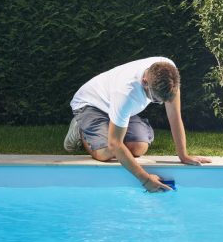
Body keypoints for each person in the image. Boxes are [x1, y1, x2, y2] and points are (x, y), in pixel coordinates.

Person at [64, 57, 211, 192]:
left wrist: (183, 155)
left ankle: (111, 125)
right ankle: (80, 129)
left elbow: (174, 115)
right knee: (106, 152)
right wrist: (146, 180)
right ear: (145, 82)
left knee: (139, 147)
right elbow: (115, 143)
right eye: (156, 100)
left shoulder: (169, 74)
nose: (161, 103)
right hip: (92, 104)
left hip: (119, 108)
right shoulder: (126, 93)